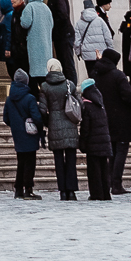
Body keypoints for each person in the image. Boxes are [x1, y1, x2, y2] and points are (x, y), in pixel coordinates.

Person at [90, 55, 131, 194]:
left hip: (104, 118)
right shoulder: (118, 76)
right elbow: (127, 97)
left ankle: (109, 181)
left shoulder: (95, 75)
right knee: (121, 151)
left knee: (111, 152)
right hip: (122, 119)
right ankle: (116, 184)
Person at [40, 58, 82, 199]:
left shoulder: (45, 87)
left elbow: (42, 109)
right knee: (71, 159)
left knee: (58, 160)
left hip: (54, 125)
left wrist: (48, 122)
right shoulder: (69, 84)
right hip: (70, 125)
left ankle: (63, 191)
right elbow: (80, 104)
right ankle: (72, 191)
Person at [3, 68, 46, 198]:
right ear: (26, 82)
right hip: (30, 133)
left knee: (21, 161)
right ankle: (28, 189)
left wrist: (16, 126)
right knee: (30, 162)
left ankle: (18, 190)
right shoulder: (30, 98)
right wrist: (40, 126)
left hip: (18, 134)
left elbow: (6, 118)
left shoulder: (9, 99)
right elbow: (36, 117)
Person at [78, 72, 117, 199]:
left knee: (94, 171)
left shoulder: (88, 106)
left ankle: (96, 194)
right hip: (104, 142)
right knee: (104, 169)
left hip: (93, 144)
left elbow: (86, 128)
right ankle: (106, 193)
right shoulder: (100, 104)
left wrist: (82, 143)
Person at [42, 0, 77, 79]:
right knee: (64, 62)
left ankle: (71, 87)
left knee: (67, 63)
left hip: (63, 35)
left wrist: (53, 27)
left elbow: (63, 16)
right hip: (61, 35)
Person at [22, 0, 55, 83]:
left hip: (34, 43)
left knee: (35, 70)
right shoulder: (46, 8)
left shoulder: (30, 7)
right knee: (45, 69)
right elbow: (51, 24)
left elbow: (25, 23)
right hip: (46, 43)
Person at [74, 0, 115, 66]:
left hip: (87, 54)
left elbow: (77, 40)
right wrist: (110, 50)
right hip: (100, 53)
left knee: (91, 75)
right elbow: (107, 37)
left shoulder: (78, 23)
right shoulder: (100, 20)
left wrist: (78, 52)